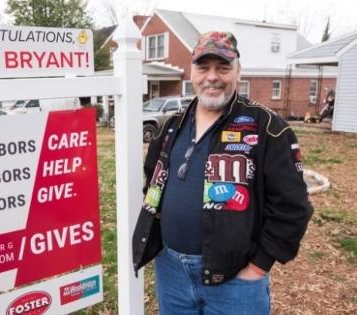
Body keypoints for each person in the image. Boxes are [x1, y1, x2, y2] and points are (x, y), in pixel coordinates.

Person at [132, 31, 314, 314]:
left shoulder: (266, 127)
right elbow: (153, 178)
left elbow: (294, 207)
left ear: (238, 72)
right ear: (192, 72)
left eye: (223, 67)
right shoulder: (171, 126)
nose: (212, 76)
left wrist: (259, 265)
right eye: (203, 67)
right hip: (171, 272)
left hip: (236, 281)